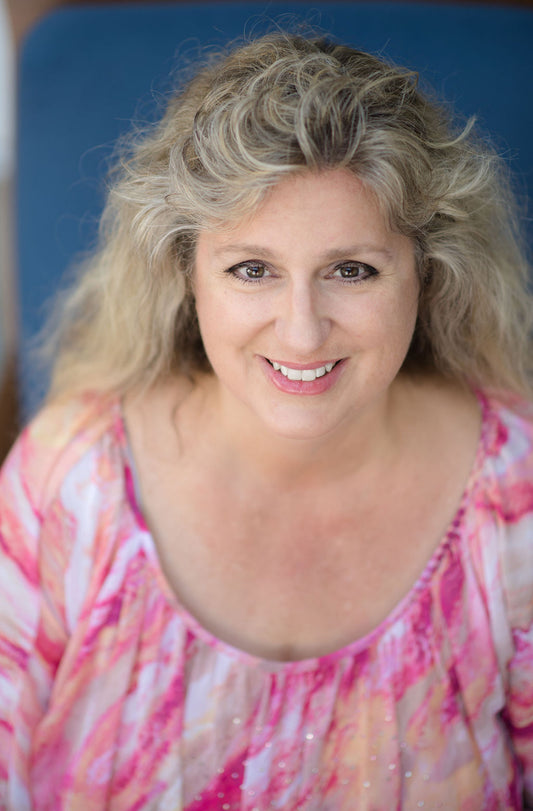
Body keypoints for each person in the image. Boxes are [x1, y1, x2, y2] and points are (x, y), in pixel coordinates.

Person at [1, 30, 532, 811]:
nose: (301, 332)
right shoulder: (71, 475)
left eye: (351, 270)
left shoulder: (515, 489)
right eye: (252, 269)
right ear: (185, 274)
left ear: (429, 271)